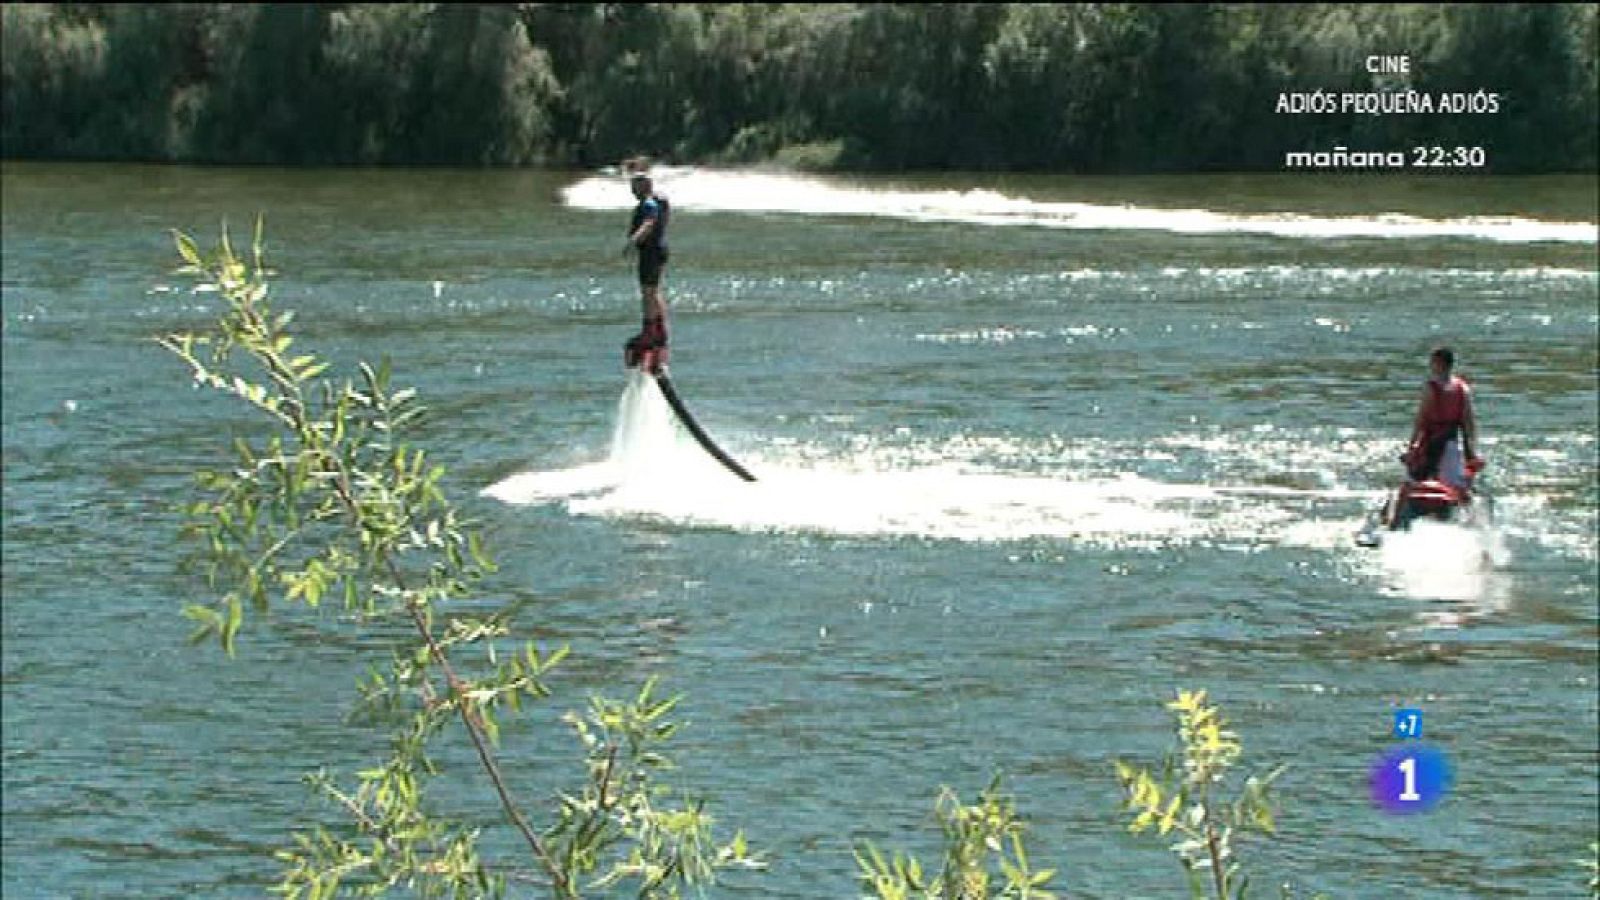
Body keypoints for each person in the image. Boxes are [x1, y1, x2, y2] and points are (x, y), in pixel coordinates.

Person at [622, 168, 671, 374]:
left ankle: (650, 330)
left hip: (651, 253)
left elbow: (649, 223)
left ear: (645, 186)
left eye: (635, 185)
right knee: (654, 291)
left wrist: (633, 241)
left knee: (648, 292)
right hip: (656, 251)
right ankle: (658, 329)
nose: (632, 190)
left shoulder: (649, 204)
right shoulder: (656, 202)